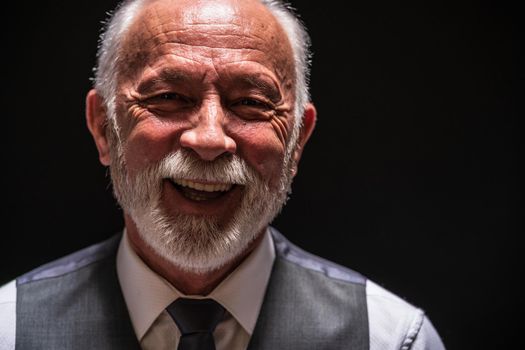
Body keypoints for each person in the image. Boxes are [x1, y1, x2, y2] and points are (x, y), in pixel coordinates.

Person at [0, 0, 445, 349]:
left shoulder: (390, 340)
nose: (210, 139)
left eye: (250, 102)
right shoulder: (8, 331)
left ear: (297, 142)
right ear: (103, 128)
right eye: (170, 96)